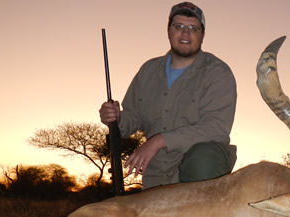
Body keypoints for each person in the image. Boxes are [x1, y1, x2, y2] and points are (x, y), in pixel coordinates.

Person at [99, 2, 237, 189]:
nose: (185, 34)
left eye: (193, 28)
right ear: (168, 31)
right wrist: (115, 118)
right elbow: (132, 120)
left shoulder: (217, 72)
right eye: (178, 26)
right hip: (156, 175)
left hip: (202, 169)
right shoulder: (148, 70)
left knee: (202, 159)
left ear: (202, 35)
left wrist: (159, 141)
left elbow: (216, 128)